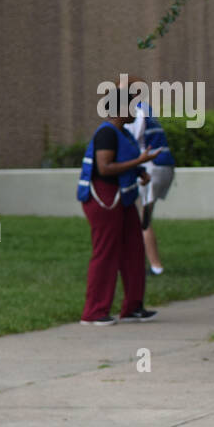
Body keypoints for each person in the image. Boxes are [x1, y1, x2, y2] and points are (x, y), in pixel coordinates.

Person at [76, 83, 159, 326]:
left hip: (123, 197)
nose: (136, 109)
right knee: (106, 252)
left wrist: (140, 169)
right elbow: (105, 167)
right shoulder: (106, 133)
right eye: (133, 105)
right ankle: (94, 312)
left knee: (134, 249)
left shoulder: (123, 133)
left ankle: (133, 307)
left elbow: (124, 160)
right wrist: (139, 161)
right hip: (105, 198)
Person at [126, 79, 176, 276]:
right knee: (144, 218)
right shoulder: (147, 110)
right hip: (164, 165)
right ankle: (149, 264)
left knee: (141, 219)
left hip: (150, 167)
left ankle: (155, 266)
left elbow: (130, 142)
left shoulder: (135, 114)